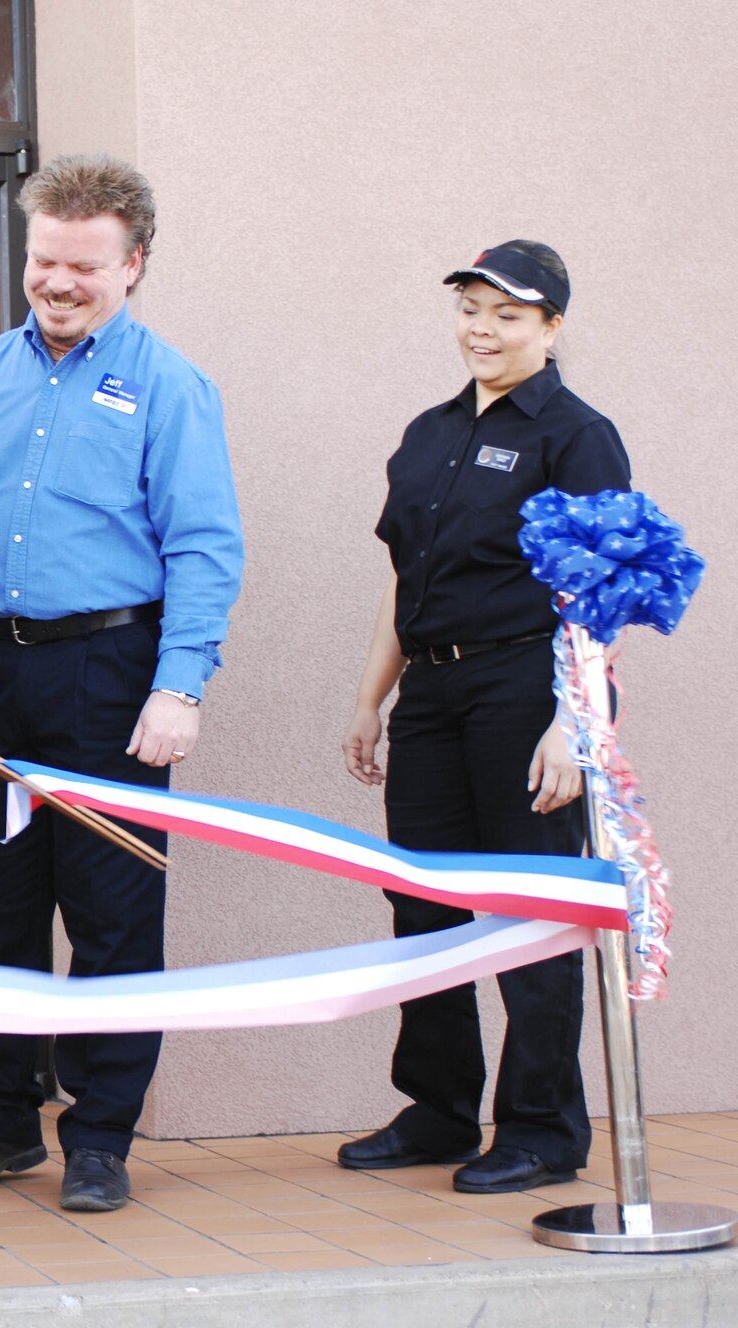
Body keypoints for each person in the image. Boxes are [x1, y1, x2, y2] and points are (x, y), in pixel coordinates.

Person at [0, 154, 243, 1213]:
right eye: (42, 259)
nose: (56, 282)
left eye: (82, 266)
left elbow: (202, 546)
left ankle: (98, 1136)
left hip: (112, 676)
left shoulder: (169, 386)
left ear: (132, 264)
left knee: (110, 917)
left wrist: (179, 684)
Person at [337, 241, 624, 1193]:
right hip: (431, 695)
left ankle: (541, 1130)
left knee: (528, 917)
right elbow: (402, 577)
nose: (483, 330)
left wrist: (572, 723)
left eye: (508, 314)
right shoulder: (429, 432)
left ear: (551, 328)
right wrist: (371, 698)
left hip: (523, 696)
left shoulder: (576, 437)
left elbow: (601, 592)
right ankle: (438, 1110)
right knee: (422, 905)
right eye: (471, 309)